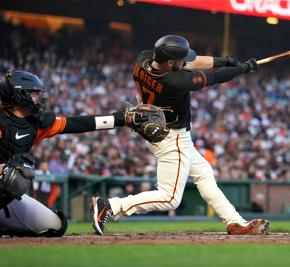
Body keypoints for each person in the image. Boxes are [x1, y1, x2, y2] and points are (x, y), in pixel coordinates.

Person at [91, 34, 269, 235]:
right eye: (179, 60)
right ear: (169, 62)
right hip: (171, 137)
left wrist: (223, 61)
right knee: (170, 198)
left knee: (204, 175)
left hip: (160, 130)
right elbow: (215, 78)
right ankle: (111, 206)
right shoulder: (175, 81)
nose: (185, 62)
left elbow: (190, 63)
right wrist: (243, 68)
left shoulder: (144, 60)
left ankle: (235, 222)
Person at [0, 70, 162, 237]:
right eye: (32, 94)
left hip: (7, 198)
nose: (37, 98)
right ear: (18, 95)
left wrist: (124, 119)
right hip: (4, 183)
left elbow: (77, 123)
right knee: (15, 172)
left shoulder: (35, 124)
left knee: (55, 225)